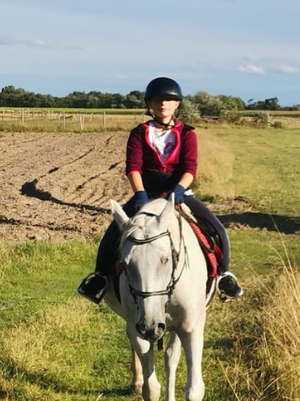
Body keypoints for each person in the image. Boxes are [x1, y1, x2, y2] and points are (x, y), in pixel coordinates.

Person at [77, 76, 243, 302]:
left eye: (168, 100)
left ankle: (223, 275)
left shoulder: (187, 134)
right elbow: (133, 167)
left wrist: (179, 190)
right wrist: (140, 193)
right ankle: (100, 276)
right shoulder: (138, 133)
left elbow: (190, 168)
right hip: (146, 193)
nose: (163, 104)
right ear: (150, 105)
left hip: (179, 192)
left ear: (177, 104)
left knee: (217, 229)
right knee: (114, 233)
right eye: (157, 100)